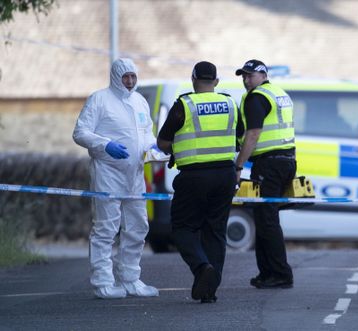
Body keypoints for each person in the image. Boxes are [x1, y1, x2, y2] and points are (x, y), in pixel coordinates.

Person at [73, 58, 159, 299]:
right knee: (105, 228)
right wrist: (104, 144)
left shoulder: (140, 102)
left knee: (138, 226)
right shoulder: (99, 100)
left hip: (135, 174)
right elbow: (80, 132)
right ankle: (102, 282)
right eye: (125, 77)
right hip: (107, 173)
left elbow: (147, 134)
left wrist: (155, 149)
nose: (130, 82)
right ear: (115, 77)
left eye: (133, 76)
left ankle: (131, 279)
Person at [156, 61, 240, 303]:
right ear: (216, 82)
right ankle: (209, 290)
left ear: (193, 80)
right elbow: (239, 136)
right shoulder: (229, 103)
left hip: (193, 176)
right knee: (215, 230)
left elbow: (163, 143)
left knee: (183, 227)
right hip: (224, 174)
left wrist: (178, 148)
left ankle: (202, 268)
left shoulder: (185, 104)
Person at [234, 59, 296, 289]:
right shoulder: (278, 93)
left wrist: (238, 165)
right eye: (243, 76)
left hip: (269, 163)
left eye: (250, 76)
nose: (246, 80)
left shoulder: (257, 97)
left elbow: (253, 134)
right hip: (286, 160)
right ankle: (267, 273)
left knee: (267, 219)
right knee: (264, 217)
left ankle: (280, 273)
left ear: (263, 75)